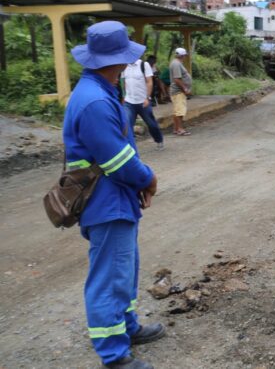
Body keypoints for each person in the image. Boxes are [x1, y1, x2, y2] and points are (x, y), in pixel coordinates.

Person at [65, 21, 164, 369]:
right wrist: (147, 178)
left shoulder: (101, 89)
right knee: (109, 277)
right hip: (104, 201)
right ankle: (113, 353)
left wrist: (137, 182)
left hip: (115, 197)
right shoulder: (94, 101)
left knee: (124, 269)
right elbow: (118, 160)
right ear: (117, 60)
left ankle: (128, 327)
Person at [121, 56, 164, 150]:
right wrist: (124, 95)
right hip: (129, 101)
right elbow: (123, 81)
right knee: (127, 124)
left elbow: (149, 82)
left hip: (143, 101)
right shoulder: (124, 66)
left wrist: (147, 97)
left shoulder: (144, 65)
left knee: (151, 124)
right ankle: (130, 147)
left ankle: (159, 140)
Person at [169, 48, 193, 136]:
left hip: (178, 91)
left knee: (177, 111)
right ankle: (179, 129)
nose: (185, 57)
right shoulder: (176, 64)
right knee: (180, 111)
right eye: (185, 55)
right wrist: (185, 89)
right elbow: (177, 79)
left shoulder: (177, 63)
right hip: (178, 91)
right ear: (182, 55)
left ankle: (176, 129)